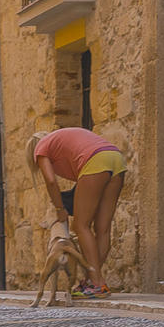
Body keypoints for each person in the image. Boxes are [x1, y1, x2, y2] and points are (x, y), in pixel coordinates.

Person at [26, 128, 126, 299]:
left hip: (96, 161)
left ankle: (96, 284)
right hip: (116, 158)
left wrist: (60, 209)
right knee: (103, 229)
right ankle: (93, 281)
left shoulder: (41, 148)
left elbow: (51, 182)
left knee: (80, 226)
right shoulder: (61, 141)